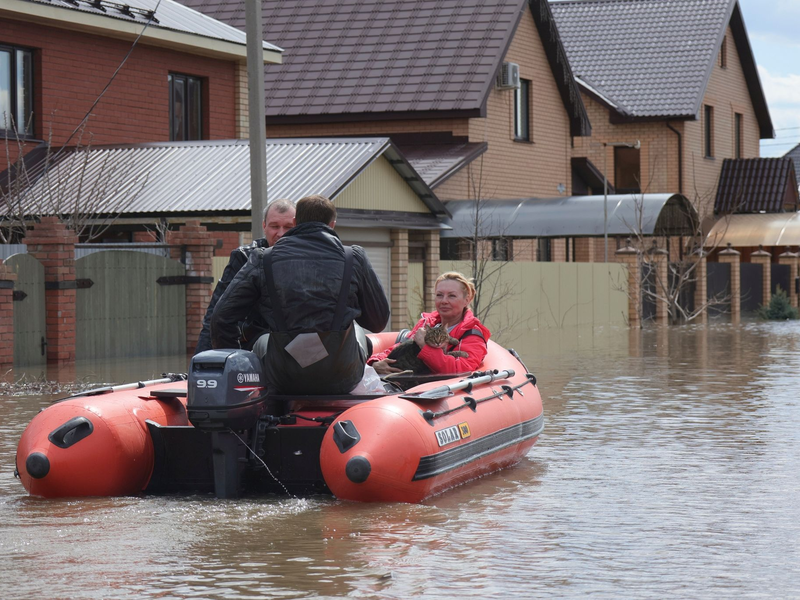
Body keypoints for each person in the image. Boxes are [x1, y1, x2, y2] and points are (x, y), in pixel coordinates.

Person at [210, 195, 390, 395]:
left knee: (263, 340)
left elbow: (220, 318)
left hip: (283, 377)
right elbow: (377, 322)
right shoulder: (353, 257)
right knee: (357, 331)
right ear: (332, 225)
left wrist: (236, 368)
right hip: (342, 377)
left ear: (295, 223)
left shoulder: (263, 259)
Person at [195, 199, 295, 353]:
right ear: (264, 226)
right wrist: (202, 363)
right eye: (274, 226)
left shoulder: (309, 260)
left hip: (298, 345)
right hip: (253, 344)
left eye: (288, 227)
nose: (280, 233)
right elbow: (215, 315)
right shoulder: (243, 257)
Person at [368, 272, 490, 375]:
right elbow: (402, 347)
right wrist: (375, 363)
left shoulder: (472, 334)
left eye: (452, 296)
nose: (444, 301)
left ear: (467, 300)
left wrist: (425, 347)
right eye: (439, 295)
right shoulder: (428, 323)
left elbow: (461, 369)